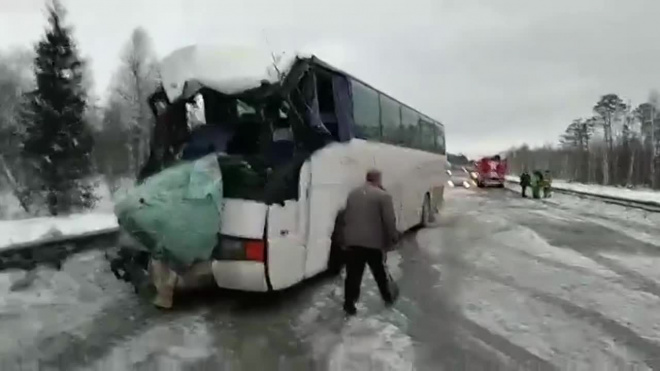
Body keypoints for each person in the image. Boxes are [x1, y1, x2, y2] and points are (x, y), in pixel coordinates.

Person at [341, 169, 400, 316]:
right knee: (380, 273)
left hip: (353, 242)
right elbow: (389, 221)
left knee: (353, 275)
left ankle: (349, 305)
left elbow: (346, 217)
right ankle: (388, 300)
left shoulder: (353, 194)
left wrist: (345, 238)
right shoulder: (383, 196)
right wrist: (393, 238)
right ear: (378, 179)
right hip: (373, 244)